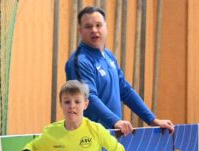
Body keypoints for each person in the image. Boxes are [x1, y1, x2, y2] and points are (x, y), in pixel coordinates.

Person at [65, 5, 174, 137]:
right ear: (80, 31)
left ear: (106, 27)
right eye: (88, 26)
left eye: (98, 25)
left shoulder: (109, 56)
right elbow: (88, 97)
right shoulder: (79, 61)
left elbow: (126, 91)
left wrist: (152, 120)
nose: (94, 30)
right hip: (90, 138)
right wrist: (115, 121)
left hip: (113, 135)